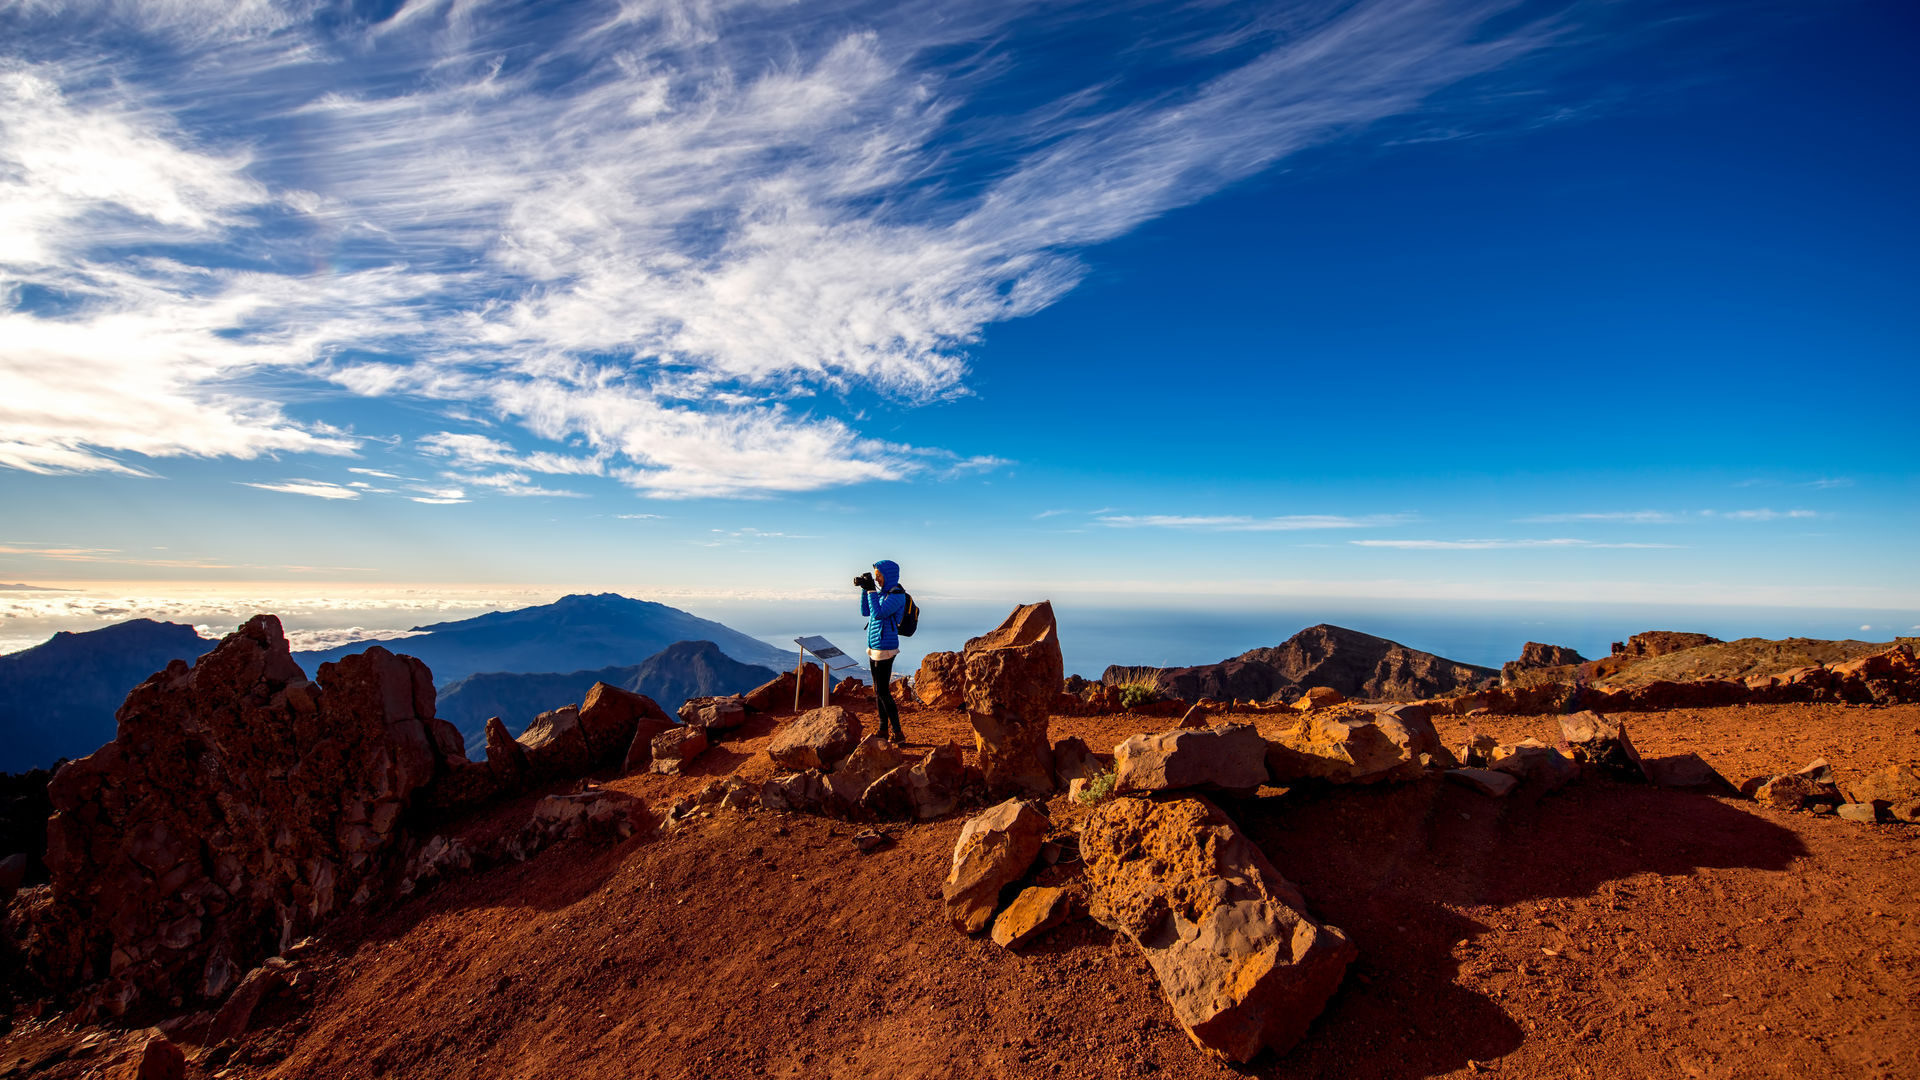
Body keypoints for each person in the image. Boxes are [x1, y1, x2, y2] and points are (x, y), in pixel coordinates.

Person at [858, 558, 908, 743]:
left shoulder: (897, 595)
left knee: (883, 691)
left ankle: (898, 733)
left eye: (879, 576)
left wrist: (871, 590)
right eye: (876, 576)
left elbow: (878, 613)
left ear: (889, 576)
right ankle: (883, 729)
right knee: (878, 690)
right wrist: (866, 589)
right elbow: (866, 611)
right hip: (874, 646)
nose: (877, 579)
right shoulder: (882, 594)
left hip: (886, 648)